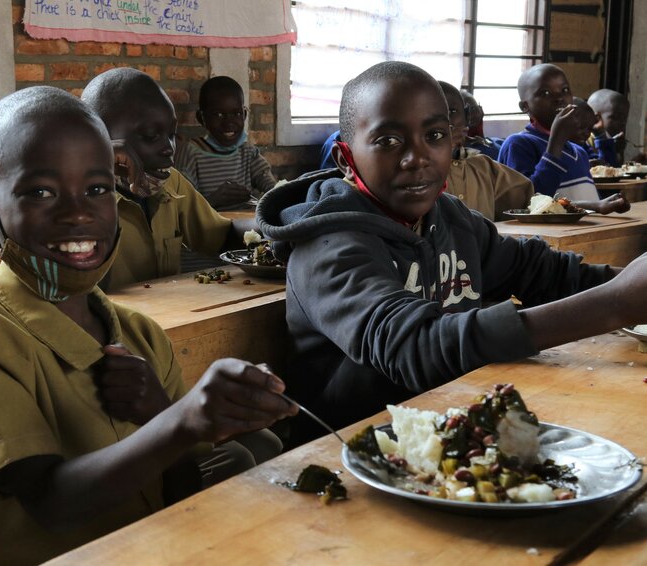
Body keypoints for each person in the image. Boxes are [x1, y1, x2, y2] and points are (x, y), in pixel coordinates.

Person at [0, 85, 296, 564]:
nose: (77, 212)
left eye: (97, 190)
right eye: (41, 192)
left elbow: (177, 486)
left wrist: (163, 410)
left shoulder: (137, 332)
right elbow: (51, 505)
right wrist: (181, 420)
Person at [256, 61, 647, 446]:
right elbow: (416, 347)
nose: (419, 158)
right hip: (352, 448)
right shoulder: (327, 245)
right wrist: (614, 304)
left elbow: (542, 272)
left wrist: (627, 284)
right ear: (346, 158)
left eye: (436, 135)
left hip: (452, 428)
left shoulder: (449, 216)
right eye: (389, 141)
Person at [80, 68, 255, 290]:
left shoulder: (171, 183)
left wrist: (278, 226)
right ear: (101, 137)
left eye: (171, 135)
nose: (168, 148)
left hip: (170, 318)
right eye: (152, 136)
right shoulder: (79, 198)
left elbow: (221, 236)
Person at [497, 64, 628, 214]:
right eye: (545, 93)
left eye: (564, 90)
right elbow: (528, 205)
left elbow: (568, 204)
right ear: (525, 106)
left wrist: (597, 204)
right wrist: (556, 141)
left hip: (582, 234)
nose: (559, 98)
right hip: (543, 237)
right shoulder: (518, 144)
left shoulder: (578, 150)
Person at [175, 76, 277, 210]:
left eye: (237, 114)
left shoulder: (248, 153)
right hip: (209, 228)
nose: (229, 122)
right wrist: (214, 200)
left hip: (246, 226)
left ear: (245, 115)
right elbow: (182, 207)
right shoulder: (192, 153)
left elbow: (273, 189)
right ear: (202, 118)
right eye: (218, 115)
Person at [440, 81, 532, 221]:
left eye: (452, 112)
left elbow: (531, 205)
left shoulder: (485, 168)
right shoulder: (417, 170)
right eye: (435, 114)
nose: (447, 121)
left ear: (466, 117)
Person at [587, 88, 629, 166]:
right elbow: (602, 170)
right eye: (616, 117)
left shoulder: (612, 140)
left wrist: (616, 152)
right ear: (596, 118)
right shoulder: (583, 140)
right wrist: (607, 146)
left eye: (625, 119)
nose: (623, 123)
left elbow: (613, 172)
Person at [570, 96, 616, 165]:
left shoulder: (583, 146)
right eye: (581, 127)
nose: (587, 134)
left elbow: (608, 166)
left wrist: (600, 135)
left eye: (589, 129)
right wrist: (585, 165)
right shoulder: (556, 147)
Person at [460, 90, 503, 160]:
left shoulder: (497, 142)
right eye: (465, 111)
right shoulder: (464, 154)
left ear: (481, 110)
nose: (470, 115)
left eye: (473, 108)